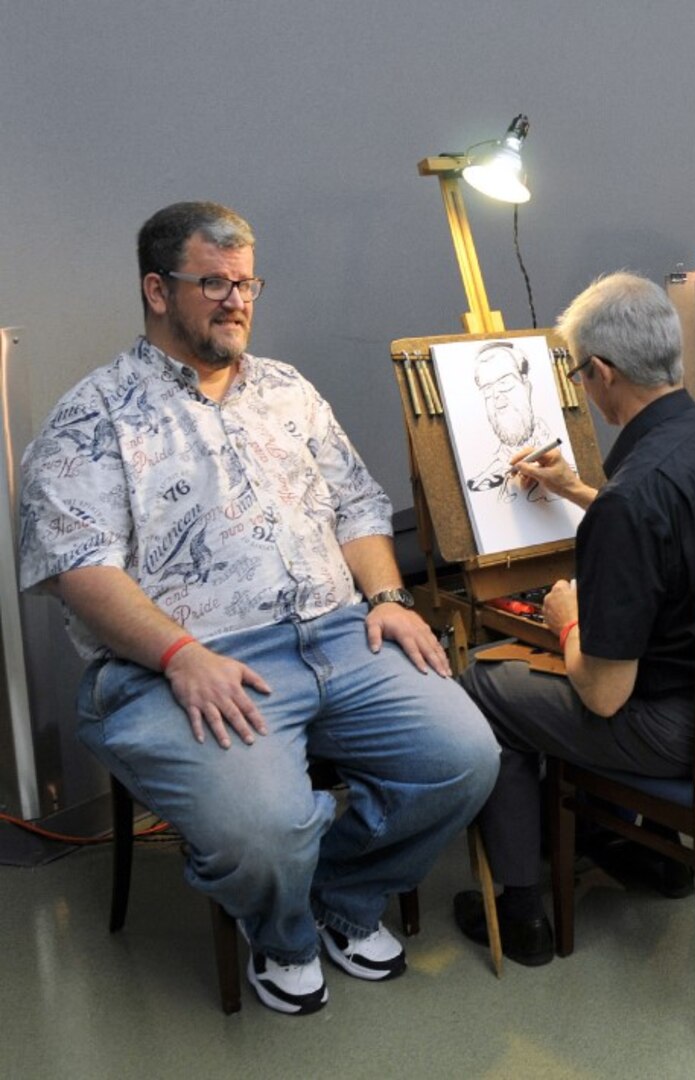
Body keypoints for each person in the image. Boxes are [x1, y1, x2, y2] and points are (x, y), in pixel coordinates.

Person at [16, 201, 500, 1016]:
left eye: (247, 283)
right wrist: (180, 656)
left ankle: (341, 897)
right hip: (185, 663)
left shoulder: (287, 390)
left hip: (340, 635)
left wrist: (385, 596)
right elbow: (80, 568)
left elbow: (356, 507)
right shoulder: (92, 416)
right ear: (158, 289)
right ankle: (282, 935)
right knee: (263, 828)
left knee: (464, 757)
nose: (237, 300)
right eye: (214, 283)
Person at [454, 272, 695, 965]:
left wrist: (567, 620)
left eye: (577, 373)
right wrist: (580, 493)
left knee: (485, 683)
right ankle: (626, 844)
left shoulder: (636, 496)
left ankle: (519, 909)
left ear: (600, 373)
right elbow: (677, 535)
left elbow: (603, 695)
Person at [465, 340, 566, 502]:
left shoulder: (563, 455)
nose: (498, 400)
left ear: (526, 386)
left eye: (505, 383)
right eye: (487, 391)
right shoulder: (485, 478)